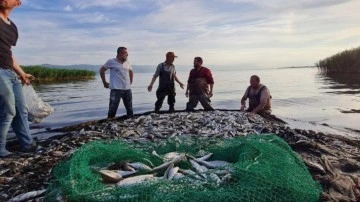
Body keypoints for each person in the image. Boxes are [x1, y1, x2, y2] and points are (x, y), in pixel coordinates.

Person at [0, 0, 37, 157]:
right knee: (8, 110)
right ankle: (1, 149)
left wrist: (22, 73)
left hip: (11, 73)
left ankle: (27, 145)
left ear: (18, 3)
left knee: (21, 110)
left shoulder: (12, 27)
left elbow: (8, 52)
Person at [100, 47, 134, 118]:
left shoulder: (127, 62)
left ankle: (131, 122)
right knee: (112, 110)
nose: (127, 54)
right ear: (119, 53)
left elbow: (131, 71)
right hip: (116, 90)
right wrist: (104, 82)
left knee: (130, 109)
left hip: (127, 89)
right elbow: (102, 70)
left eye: (127, 53)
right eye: (125, 52)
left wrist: (131, 80)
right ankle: (109, 123)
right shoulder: (111, 61)